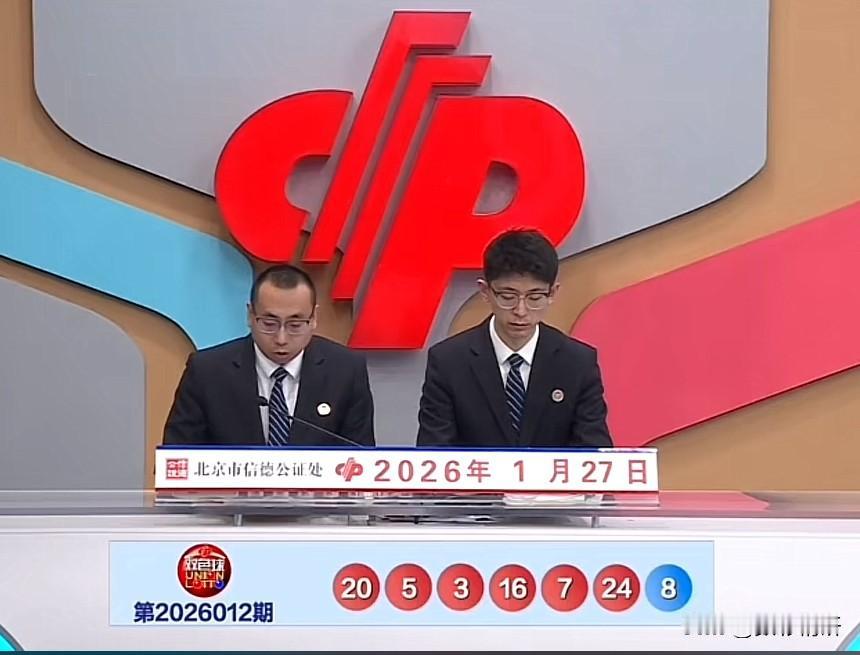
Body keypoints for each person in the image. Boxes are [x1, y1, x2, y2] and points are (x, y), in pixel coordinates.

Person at [417, 229, 611, 449]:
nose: (520, 311)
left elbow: (593, 451)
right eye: (508, 297)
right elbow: (434, 452)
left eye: (534, 298)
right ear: (485, 291)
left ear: (553, 293)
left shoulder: (577, 363)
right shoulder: (449, 362)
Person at [164, 264, 374, 446]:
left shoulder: (346, 371)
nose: (281, 338)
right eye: (269, 323)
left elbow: (362, 462)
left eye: (295, 324)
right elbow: (176, 459)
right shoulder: (207, 372)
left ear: (313, 319)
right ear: (250, 315)